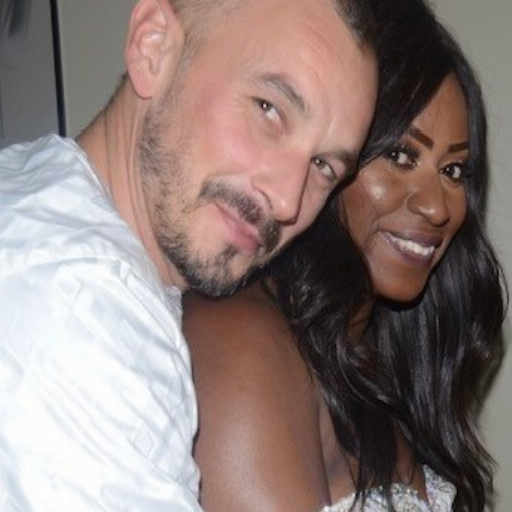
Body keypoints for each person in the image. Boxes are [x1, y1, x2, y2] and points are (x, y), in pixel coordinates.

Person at [0, 0, 380, 511]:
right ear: (153, 48)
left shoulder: (36, 189)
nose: (287, 201)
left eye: (323, 167)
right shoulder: (79, 310)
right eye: (269, 109)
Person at [183, 9, 507, 512]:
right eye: (401, 156)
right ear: (327, 161)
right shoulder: (242, 339)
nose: (437, 206)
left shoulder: (375, 360)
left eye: (452, 170)